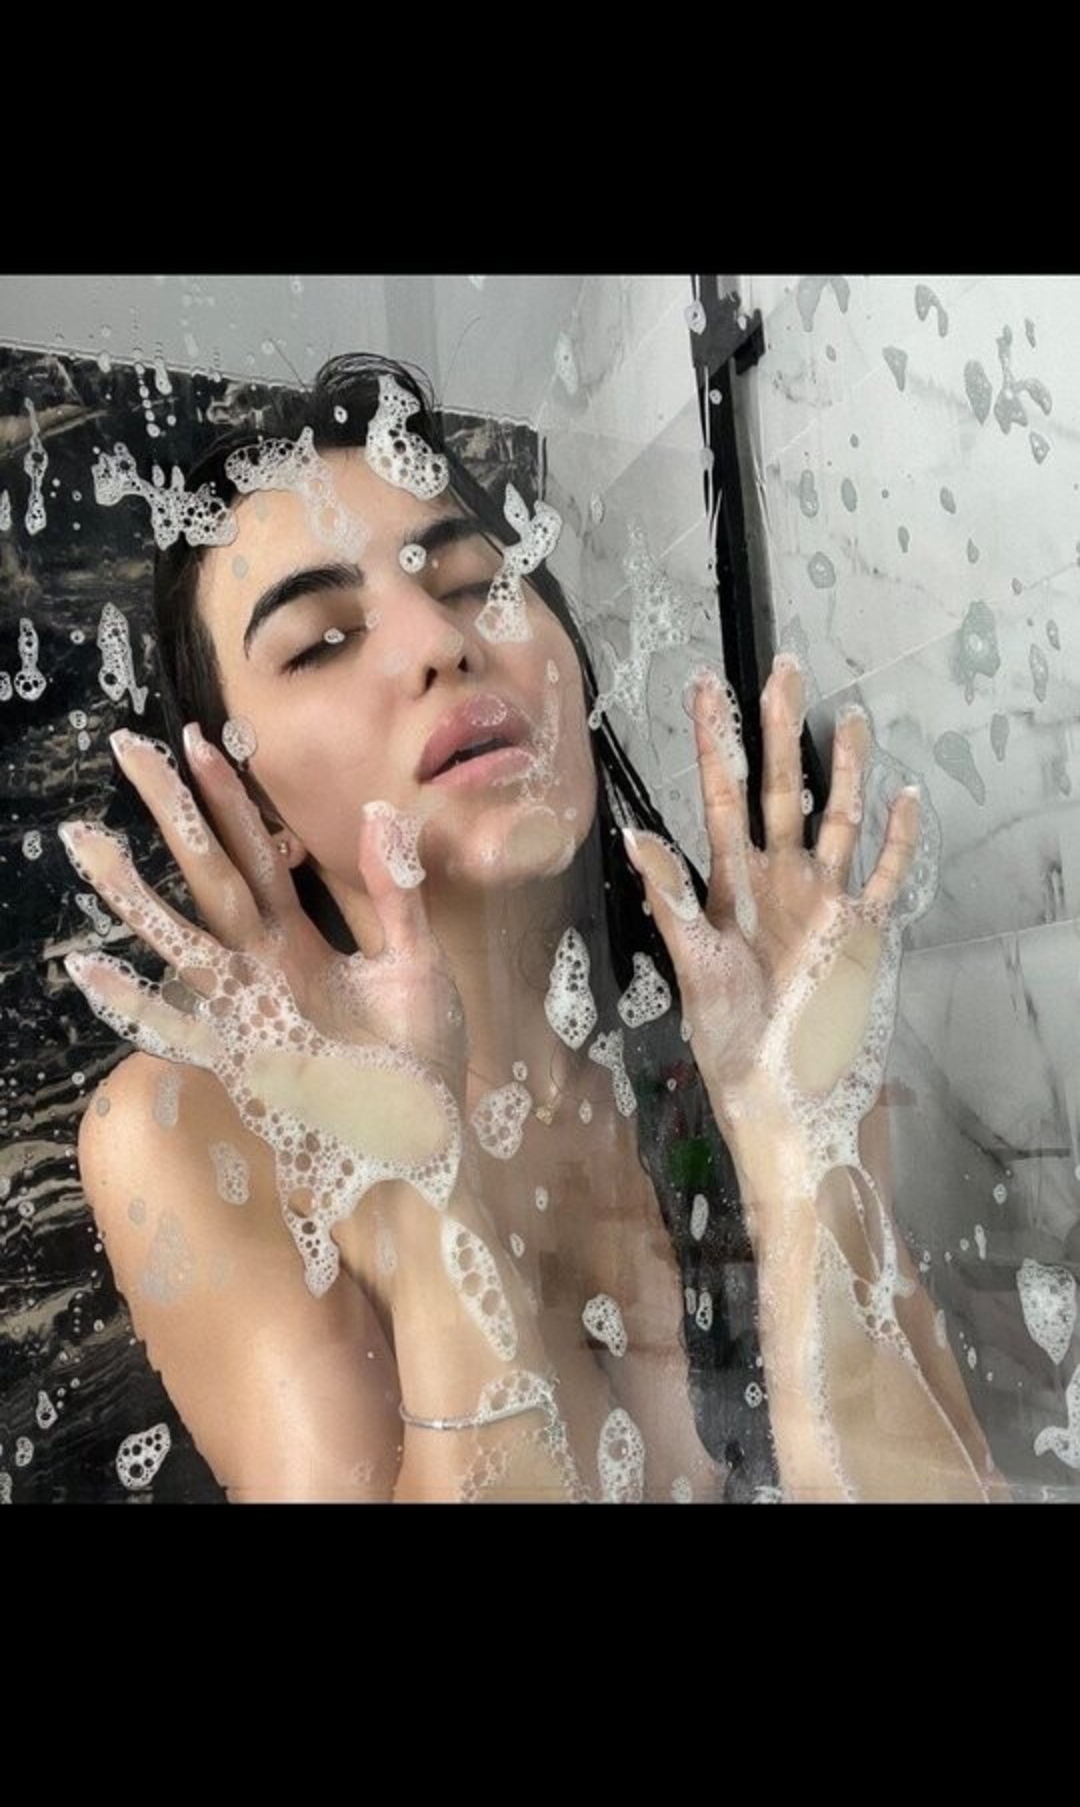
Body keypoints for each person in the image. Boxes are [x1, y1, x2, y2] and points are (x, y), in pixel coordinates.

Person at [62, 351, 1012, 1505]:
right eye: (321, 640)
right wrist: (421, 1213)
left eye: (472, 580)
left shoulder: (757, 1027)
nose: (439, 641)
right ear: (253, 807)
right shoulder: (201, 1128)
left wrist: (796, 1158)